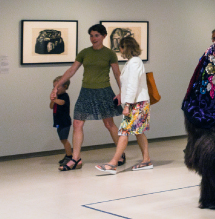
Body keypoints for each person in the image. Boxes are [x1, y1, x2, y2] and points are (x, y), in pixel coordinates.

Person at [52, 24, 123, 171]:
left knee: (109, 124)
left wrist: (122, 92)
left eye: (96, 35)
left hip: (103, 91)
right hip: (86, 92)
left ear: (103, 36)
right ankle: (76, 158)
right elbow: (72, 70)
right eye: (91, 35)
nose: (93, 38)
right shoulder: (85, 52)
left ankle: (120, 153)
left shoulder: (109, 54)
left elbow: (117, 74)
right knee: (77, 122)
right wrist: (56, 86)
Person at [96, 37, 152, 174]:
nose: (119, 50)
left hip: (136, 103)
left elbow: (133, 85)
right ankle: (146, 160)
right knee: (138, 132)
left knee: (123, 131)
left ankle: (113, 163)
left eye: (120, 47)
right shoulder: (132, 62)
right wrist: (122, 96)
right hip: (137, 102)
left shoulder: (134, 63)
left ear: (125, 48)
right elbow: (129, 85)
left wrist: (127, 105)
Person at [50, 77, 73, 165]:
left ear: (65, 87)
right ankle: (67, 155)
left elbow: (62, 102)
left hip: (64, 122)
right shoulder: (58, 96)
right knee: (62, 139)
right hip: (58, 122)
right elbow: (51, 106)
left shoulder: (65, 96)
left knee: (64, 139)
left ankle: (69, 156)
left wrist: (55, 99)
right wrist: (52, 100)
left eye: (57, 87)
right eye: (54, 87)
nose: (55, 89)